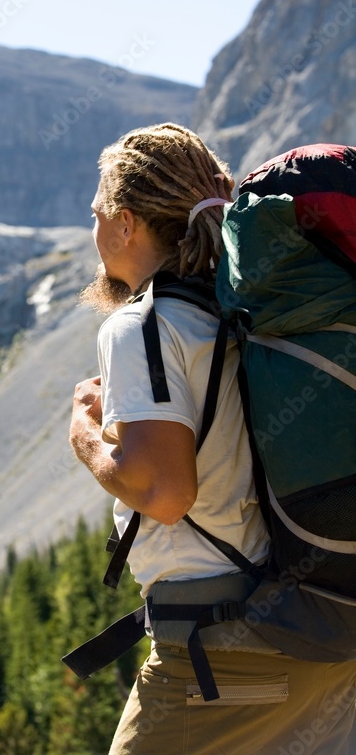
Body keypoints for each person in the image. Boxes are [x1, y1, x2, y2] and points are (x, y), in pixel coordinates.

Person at [69, 123, 356, 755]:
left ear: (124, 223)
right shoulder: (250, 310)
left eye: (96, 216)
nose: (93, 235)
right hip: (321, 637)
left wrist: (87, 434)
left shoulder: (142, 324)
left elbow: (165, 492)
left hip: (221, 660)